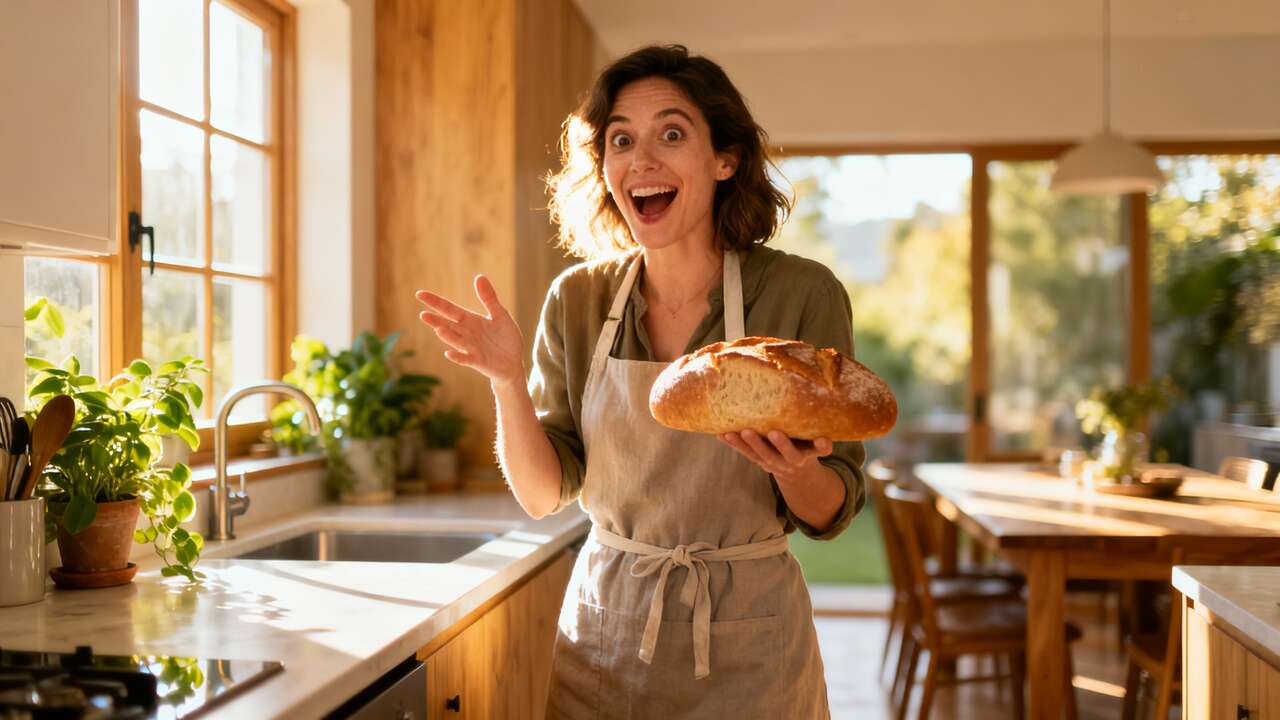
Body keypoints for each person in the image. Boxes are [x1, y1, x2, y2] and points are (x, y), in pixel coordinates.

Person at [416, 44, 865, 719]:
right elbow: (544, 494)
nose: (642, 159)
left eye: (672, 133)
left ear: (725, 160)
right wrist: (506, 381)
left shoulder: (802, 295)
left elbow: (833, 509)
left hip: (753, 643)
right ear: (604, 168)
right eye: (621, 139)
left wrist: (796, 471)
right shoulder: (578, 300)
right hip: (609, 637)